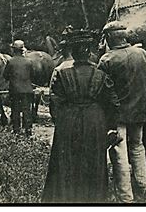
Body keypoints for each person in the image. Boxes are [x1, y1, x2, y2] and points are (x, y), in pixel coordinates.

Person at [42, 29, 121, 203]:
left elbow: (54, 102)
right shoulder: (101, 75)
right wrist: (110, 127)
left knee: (67, 161)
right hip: (94, 121)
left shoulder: (62, 74)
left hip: (68, 121)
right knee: (93, 160)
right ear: (88, 51)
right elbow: (113, 103)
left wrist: (61, 121)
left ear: (73, 52)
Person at [98, 21, 146, 203]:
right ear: (124, 37)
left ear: (108, 38)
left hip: (117, 115)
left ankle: (126, 197)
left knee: (119, 152)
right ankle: (143, 187)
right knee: (138, 147)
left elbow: (101, 92)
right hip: (139, 112)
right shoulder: (143, 54)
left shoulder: (106, 60)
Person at [3, 40, 34, 136]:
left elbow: (5, 75)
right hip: (27, 89)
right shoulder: (29, 62)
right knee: (27, 110)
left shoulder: (10, 61)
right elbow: (32, 76)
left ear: (14, 50)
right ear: (22, 50)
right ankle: (28, 130)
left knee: (15, 109)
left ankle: (16, 130)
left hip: (15, 90)